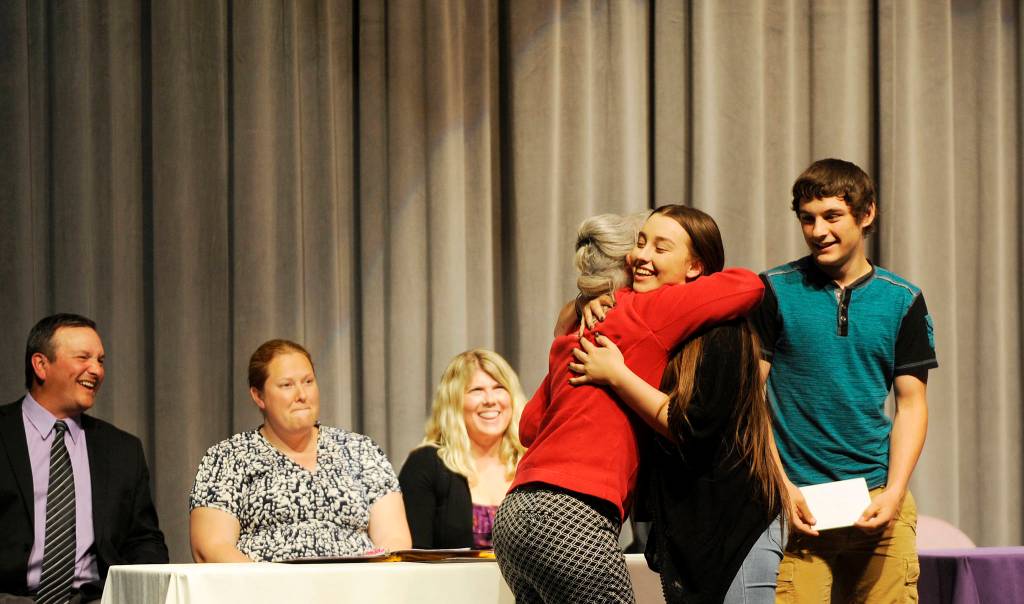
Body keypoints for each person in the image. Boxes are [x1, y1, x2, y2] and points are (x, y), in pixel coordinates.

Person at [492, 207, 765, 603]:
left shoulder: (576, 331)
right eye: (640, 243)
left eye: (659, 246)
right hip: (570, 512)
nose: (643, 256)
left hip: (514, 514)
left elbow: (529, 427)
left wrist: (575, 312)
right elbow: (748, 286)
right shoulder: (644, 311)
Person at [750, 159, 936, 602]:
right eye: (807, 219)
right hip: (796, 505)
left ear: (866, 214)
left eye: (832, 216)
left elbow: (911, 404)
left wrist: (894, 491)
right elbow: (749, 400)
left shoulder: (902, 299)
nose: (818, 231)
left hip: (876, 500)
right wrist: (782, 486)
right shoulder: (774, 290)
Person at [569, 318, 787, 603]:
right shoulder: (644, 317)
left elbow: (690, 425)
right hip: (686, 520)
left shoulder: (724, 330)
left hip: (736, 520)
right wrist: (582, 305)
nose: (637, 269)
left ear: (694, 269)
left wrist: (618, 376)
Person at [189, 339, 411, 562]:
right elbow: (212, 546)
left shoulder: (360, 451)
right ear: (258, 396)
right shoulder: (228, 458)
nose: (302, 395)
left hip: (358, 590)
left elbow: (394, 538)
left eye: (308, 381)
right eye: (287, 385)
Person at [0, 314, 168, 603]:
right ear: (41, 365)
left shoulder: (122, 450)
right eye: (83, 357)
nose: (96, 370)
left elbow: (144, 541)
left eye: (100, 360)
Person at [399, 349, 527, 549]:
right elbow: (414, 558)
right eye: (476, 390)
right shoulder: (425, 464)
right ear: (454, 402)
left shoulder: (533, 463)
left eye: (499, 387)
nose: (490, 399)